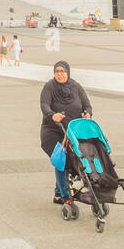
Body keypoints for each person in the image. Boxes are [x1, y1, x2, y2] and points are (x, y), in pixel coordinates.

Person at [39, 60, 92, 205]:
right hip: (53, 130)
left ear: (68, 72)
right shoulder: (49, 86)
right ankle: (65, 195)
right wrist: (51, 114)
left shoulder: (76, 86)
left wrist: (87, 113)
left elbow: (87, 105)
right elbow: (44, 104)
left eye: (62, 71)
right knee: (62, 161)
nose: (60, 74)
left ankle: (58, 194)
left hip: (72, 131)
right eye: (57, 71)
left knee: (75, 160)